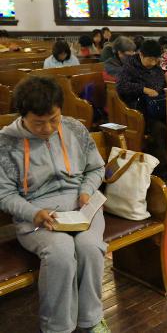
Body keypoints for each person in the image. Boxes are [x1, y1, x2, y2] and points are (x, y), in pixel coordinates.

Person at [0, 76, 109, 333]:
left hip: (81, 207)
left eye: (54, 119)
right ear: (22, 116)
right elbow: (4, 195)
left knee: (90, 247)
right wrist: (33, 212)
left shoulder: (75, 129)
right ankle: (57, 328)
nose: (48, 128)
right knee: (60, 254)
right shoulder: (5, 143)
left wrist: (86, 191)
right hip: (37, 214)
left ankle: (92, 320)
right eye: (39, 123)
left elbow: (96, 168)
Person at [116, 40, 166, 121]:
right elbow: (121, 85)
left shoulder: (157, 69)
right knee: (161, 129)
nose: (153, 63)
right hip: (137, 111)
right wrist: (144, 89)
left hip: (156, 107)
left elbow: (164, 86)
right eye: (150, 59)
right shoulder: (129, 66)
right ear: (141, 54)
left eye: (156, 60)